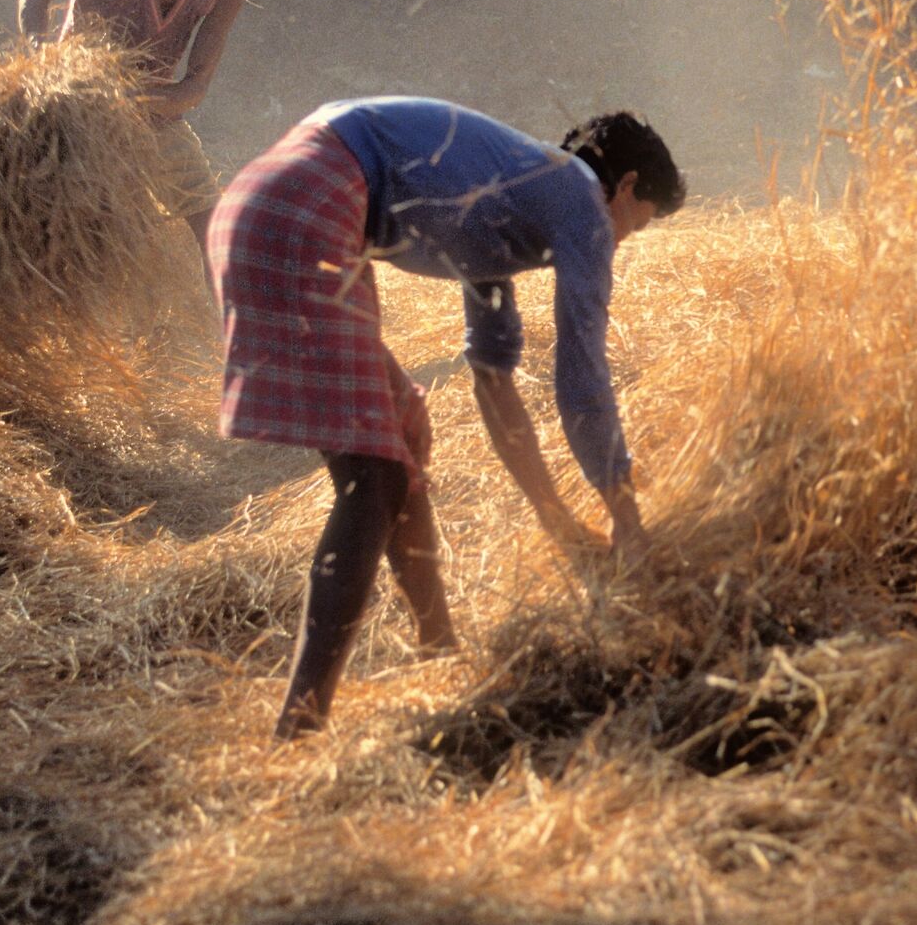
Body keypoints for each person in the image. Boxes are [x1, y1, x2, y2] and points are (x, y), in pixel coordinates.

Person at [207, 98, 686, 738]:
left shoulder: (506, 194)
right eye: (637, 224)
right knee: (373, 477)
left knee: (402, 431)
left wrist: (557, 520)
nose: (620, 241)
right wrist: (626, 517)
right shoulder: (579, 200)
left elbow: (493, 381)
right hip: (306, 207)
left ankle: (440, 653)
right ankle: (298, 729)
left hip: (267, 199)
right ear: (624, 187)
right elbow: (583, 376)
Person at [15, 0, 274, 256]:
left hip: (153, 116)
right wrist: (42, 58)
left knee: (212, 227)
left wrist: (138, 103)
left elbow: (195, 86)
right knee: (59, 215)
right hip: (72, 106)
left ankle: (223, 297)